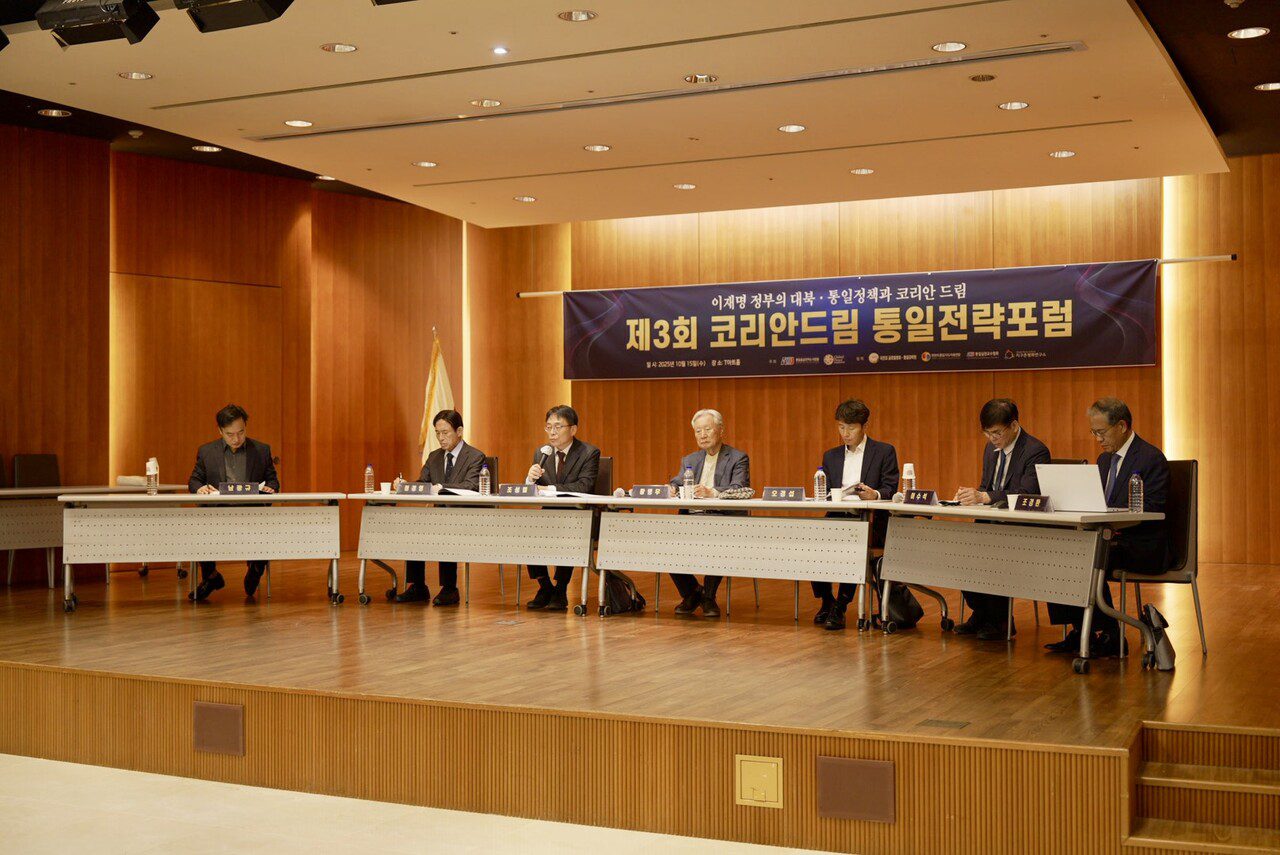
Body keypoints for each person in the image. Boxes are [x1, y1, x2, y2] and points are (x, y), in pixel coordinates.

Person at [1046, 397, 1171, 657]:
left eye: (1101, 432)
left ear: (1122, 426)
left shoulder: (1151, 458)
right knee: (1057, 551)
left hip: (1141, 543)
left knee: (1087, 554)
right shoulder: (1104, 461)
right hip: (1110, 539)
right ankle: (1083, 630)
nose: (1097, 439)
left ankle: (1110, 635)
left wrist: (1113, 523)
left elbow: (1154, 508)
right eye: (1093, 432)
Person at [952, 398, 1051, 641]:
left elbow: (1026, 493)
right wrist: (970, 496)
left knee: (992, 552)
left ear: (1014, 425)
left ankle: (1000, 620)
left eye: (996, 433)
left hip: (1021, 527)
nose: (991, 439)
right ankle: (982, 613)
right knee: (960, 552)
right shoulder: (990, 450)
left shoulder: (1035, 451)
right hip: (991, 524)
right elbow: (986, 486)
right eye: (987, 433)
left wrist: (985, 496)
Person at [811, 399, 898, 631]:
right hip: (839, 516)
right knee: (810, 544)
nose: (845, 433)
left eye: (851, 428)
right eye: (841, 427)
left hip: (869, 520)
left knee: (853, 545)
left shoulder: (884, 451)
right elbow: (827, 492)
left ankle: (841, 605)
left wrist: (874, 494)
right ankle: (827, 600)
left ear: (864, 426)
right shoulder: (831, 456)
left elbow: (891, 488)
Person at [392, 409, 487, 606]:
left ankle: (450, 588)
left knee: (446, 527)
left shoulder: (475, 456)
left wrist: (442, 488)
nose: (441, 438)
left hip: (466, 517)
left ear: (459, 431)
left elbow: (472, 485)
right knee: (414, 528)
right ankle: (418, 586)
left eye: (445, 433)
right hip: (438, 516)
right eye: (437, 433)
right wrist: (405, 485)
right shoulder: (434, 457)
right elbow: (423, 484)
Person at [187, 403, 280, 602]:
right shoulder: (207, 452)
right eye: (230, 434)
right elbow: (194, 480)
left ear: (245, 427)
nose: (236, 439)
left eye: (241, 432)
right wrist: (199, 488)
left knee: (265, 528)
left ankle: (256, 567)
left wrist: (270, 489)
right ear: (220, 430)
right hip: (217, 514)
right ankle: (211, 577)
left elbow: (273, 481)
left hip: (252, 514)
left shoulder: (261, 450)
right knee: (200, 529)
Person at [667, 409, 750, 618]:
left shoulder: (738, 457)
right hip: (692, 518)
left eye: (707, 429)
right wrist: (671, 488)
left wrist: (712, 492)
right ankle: (693, 592)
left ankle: (709, 597)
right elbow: (677, 481)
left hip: (723, 518)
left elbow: (739, 486)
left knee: (718, 541)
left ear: (721, 431)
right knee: (666, 542)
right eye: (697, 431)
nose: (702, 435)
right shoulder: (690, 458)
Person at [524, 405, 600, 612]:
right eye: (548, 427)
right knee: (527, 533)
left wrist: (548, 488)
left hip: (578, 514)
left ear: (573, 429)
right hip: (548, 514)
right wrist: (529, 480)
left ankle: (561, 588)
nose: (552, 432)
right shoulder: (542, 452)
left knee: (567, 530)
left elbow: (584, 486)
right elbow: (532, 491)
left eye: (558, 427)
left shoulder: (588, 452)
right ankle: (545, 586)